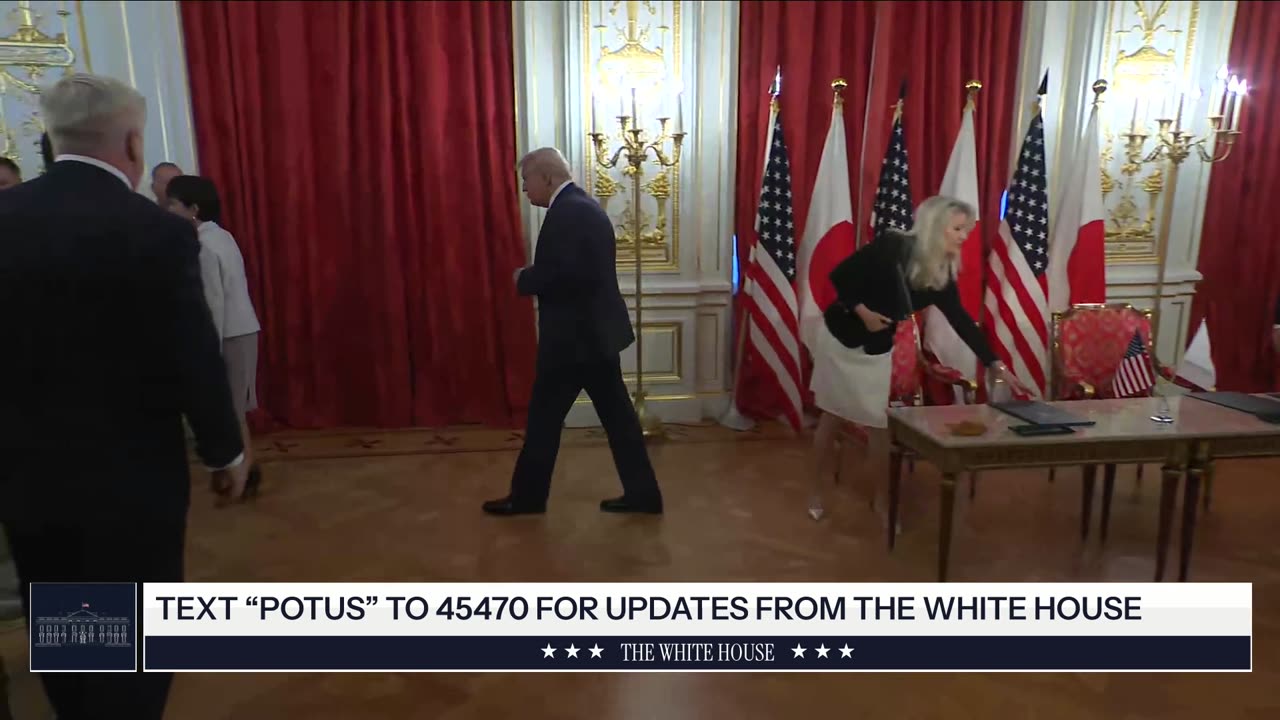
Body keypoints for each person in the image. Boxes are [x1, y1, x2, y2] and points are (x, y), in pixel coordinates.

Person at [0, 72, 247, 719]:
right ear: (134, 144)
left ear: (52, 138)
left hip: (26, 473)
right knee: (136, 638)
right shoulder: (157, 232)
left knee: (63, 622)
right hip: (132, 478)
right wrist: (224, 452)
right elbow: (192, 356)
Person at [807, 195, 1027, 520]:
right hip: (841, 339)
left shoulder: (941, 275)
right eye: (957, 229)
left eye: (966, 229)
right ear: (936, 227)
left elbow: (962, 321)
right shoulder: (893, 245)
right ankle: (815, 492)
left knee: (878, 425)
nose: (964, 236)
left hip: (876, 347)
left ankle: (882, 501)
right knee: (832, 417)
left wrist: (994, 362)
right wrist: (864, 312)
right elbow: (841, 276)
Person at [482, 147, 662, 516]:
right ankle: (643, 494)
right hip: (592, 337)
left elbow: (565, 274)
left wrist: (524, 278)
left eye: (527, 180)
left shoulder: (569, 212)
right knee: (618, 421)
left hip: (573, 342)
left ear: (547, 177)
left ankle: (527, 498)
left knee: (544, 422)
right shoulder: (582, 207)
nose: (524, 188)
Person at [166, 174, 264, 498]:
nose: (168, 210)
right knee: (236, 409)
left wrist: (210, 350)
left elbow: (213, 302)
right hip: (243, 330)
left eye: (173, 204)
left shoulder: (204, 246)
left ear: (193, 209)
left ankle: (244, 476)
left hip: (230, 334)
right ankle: (247, 470)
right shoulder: (222, 235)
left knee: (232, 411)